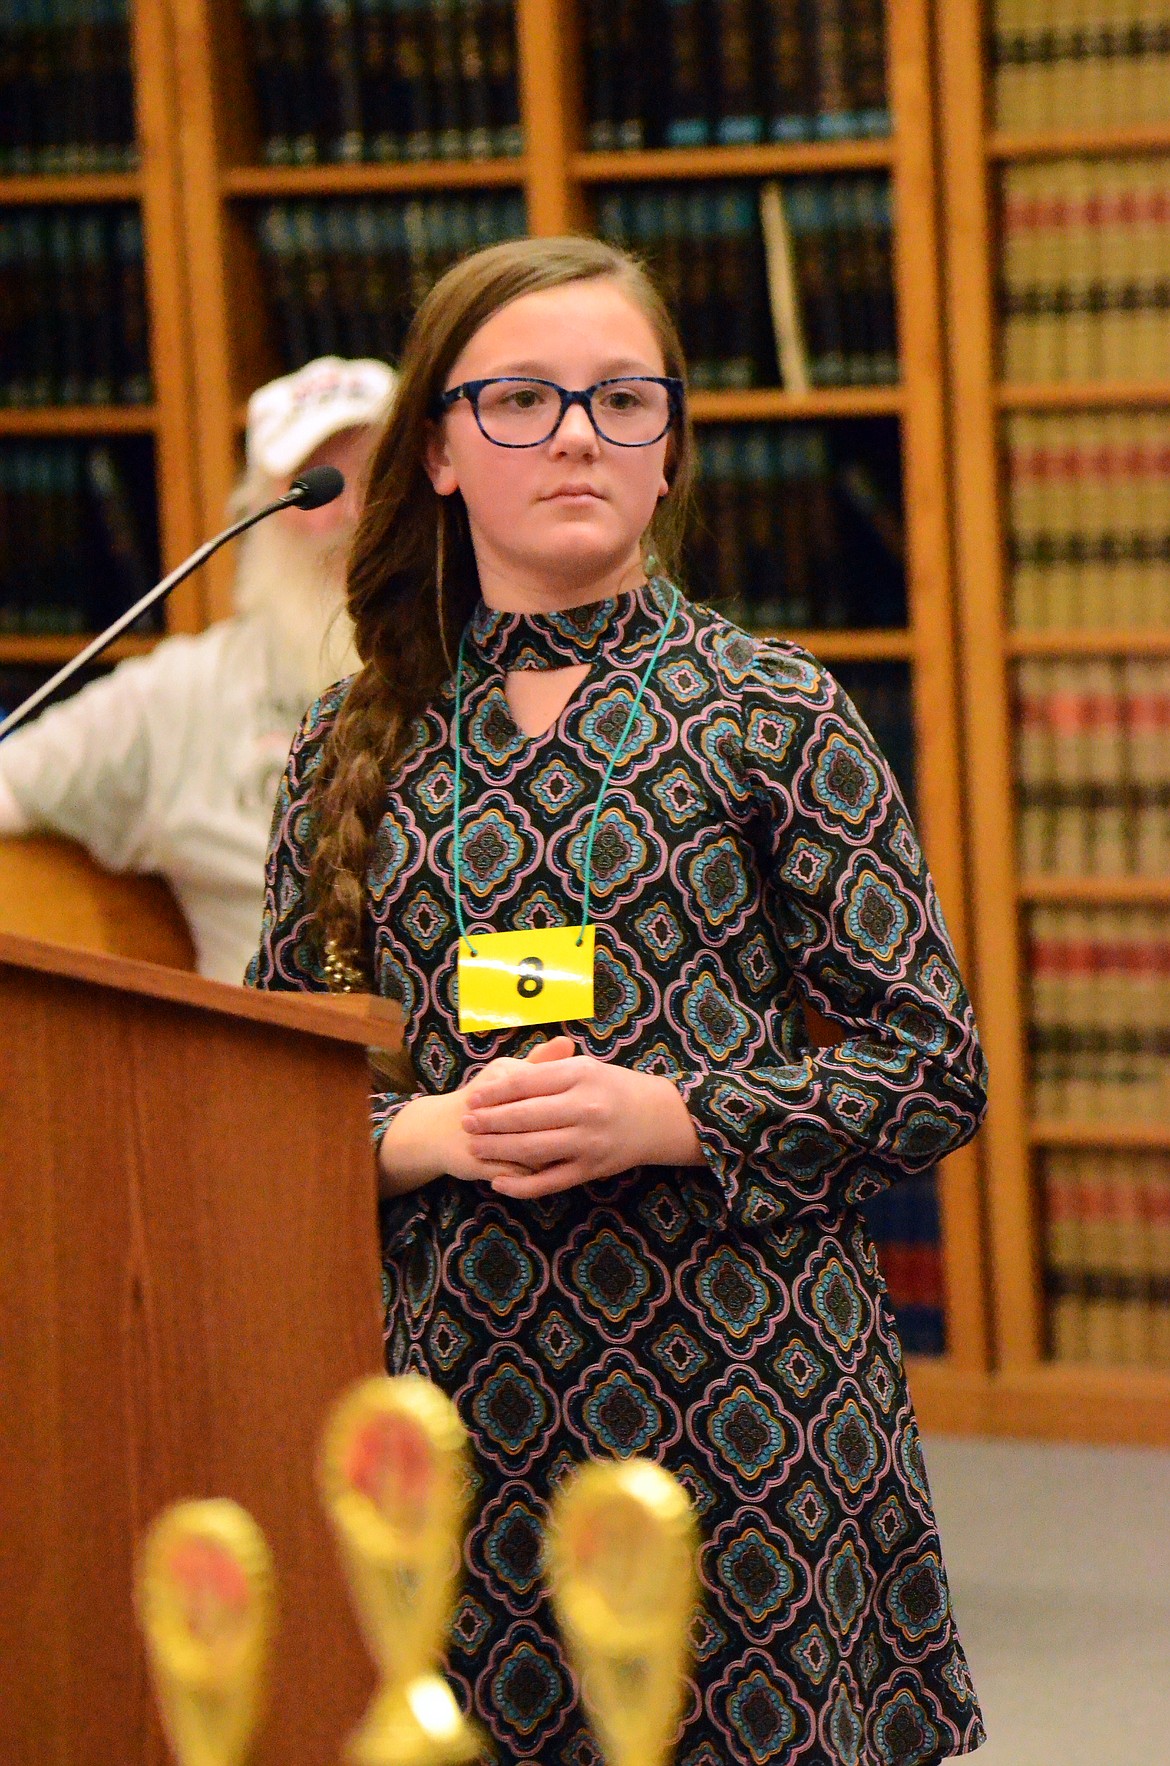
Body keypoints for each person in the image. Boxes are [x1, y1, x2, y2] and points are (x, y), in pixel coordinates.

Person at [249, 238, 988, 1765]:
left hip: (746, 1398)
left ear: (668, 453)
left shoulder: (774, 712)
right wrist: (424, 1135)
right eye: (518, 397)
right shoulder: (346, 741)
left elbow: (931, 1069)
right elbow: (259, 1110)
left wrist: (668, 1112)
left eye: (619, 399)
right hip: (459, 1401)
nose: (575, 431)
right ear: (441, 452)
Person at [0, 355, 396, 982]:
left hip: (484, 1050)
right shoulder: (182, 695)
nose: (351, 513)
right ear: (257, 507)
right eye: (322, 483)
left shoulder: (503, 668)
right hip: (268, 1062)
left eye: (378, 472)